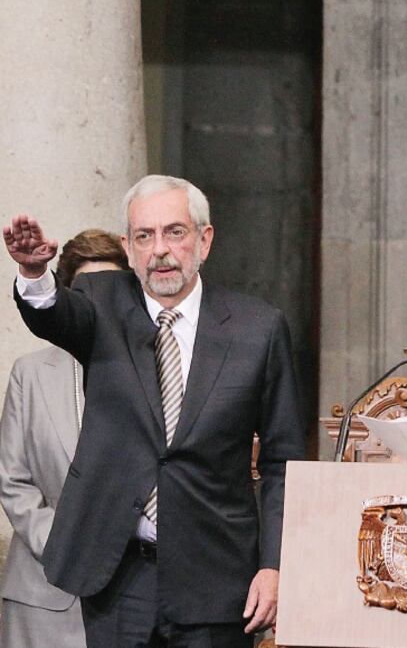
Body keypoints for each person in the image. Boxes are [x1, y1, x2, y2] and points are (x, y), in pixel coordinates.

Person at [3, 175, 307, 647]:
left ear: (203, 240)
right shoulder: (101, 302)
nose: (159, 250)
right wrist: (33, 274)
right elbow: (53, 314)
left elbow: (283, 461)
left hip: (217, 577)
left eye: (174, 232)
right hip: (119, 577)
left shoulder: (258, 329)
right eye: (144, 236)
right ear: (128, 248)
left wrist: (275, 564)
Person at [0, 229, 128, 648]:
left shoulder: (154, 368)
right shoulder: (30, 372)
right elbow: (12, 479)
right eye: (86, 291)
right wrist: (63, 539)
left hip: (130, 592)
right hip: (44, 593)